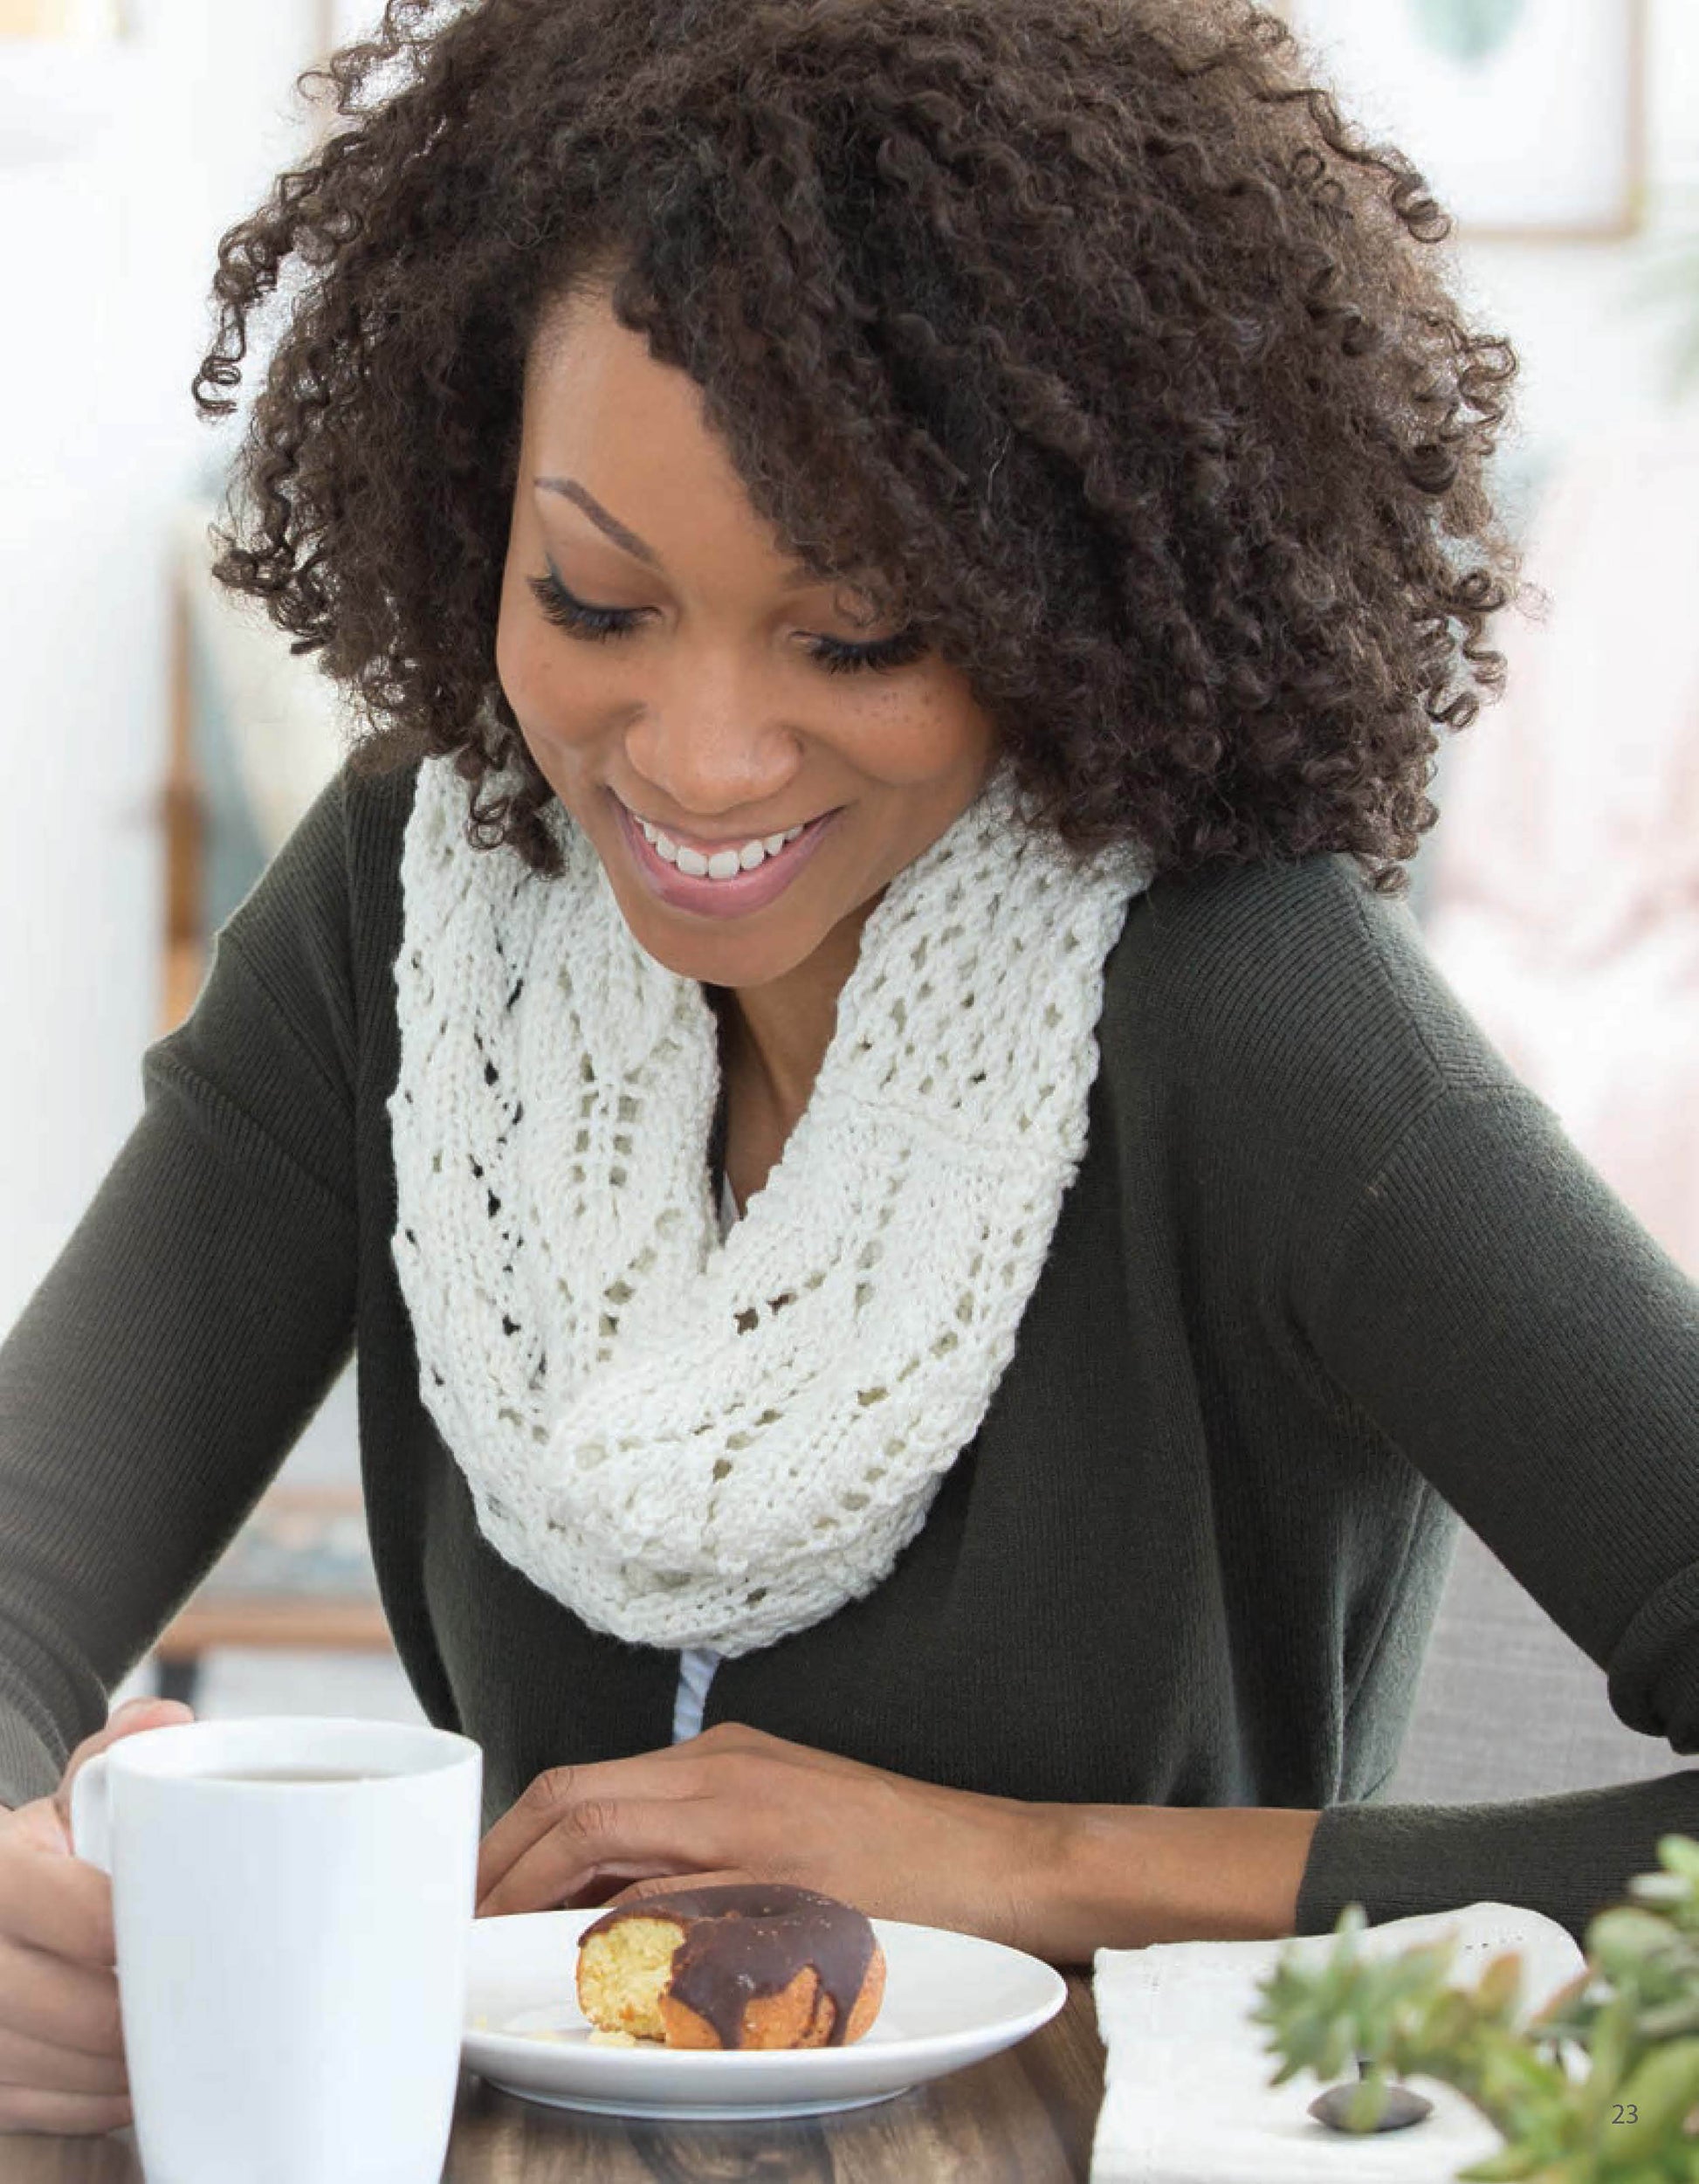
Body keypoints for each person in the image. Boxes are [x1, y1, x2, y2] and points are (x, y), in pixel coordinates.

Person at [3, 0, 1697, 2141]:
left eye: (858, 638)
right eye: (593, 602)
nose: (699, 760)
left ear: (1062, 588)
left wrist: (1040, 1864)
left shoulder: (1247, 1012)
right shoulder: (408, 919)